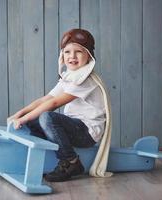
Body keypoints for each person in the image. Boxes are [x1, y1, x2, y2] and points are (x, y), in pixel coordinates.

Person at [7, 28, 107, 182]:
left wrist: (23, 119)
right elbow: (45, 99)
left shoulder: (85, 79)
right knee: (35, 121)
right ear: (62, 55)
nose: (72, 56)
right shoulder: (70, 76)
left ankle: (71, 162)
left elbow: (53, 103)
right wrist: (19, 114)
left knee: (47, 117)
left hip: (87, 132)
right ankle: (42, 154)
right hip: (75, 127)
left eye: (78, 52)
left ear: (89, 55)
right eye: (67, 52)